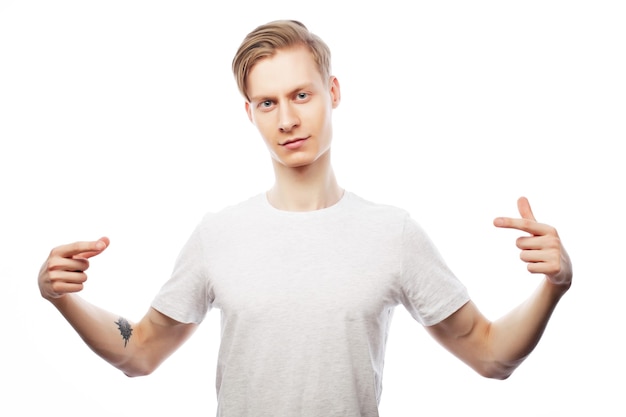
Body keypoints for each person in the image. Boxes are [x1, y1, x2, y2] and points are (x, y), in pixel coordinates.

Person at [38, 20, 573, 417]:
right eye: (267, 103)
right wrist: (65, 298)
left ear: (332, 93)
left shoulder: (393, 233)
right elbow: (140, 351)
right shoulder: (218, 235)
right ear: (249, 113)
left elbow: (490, 356)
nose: (289, 119)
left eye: (301, 95)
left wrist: (554, 286)